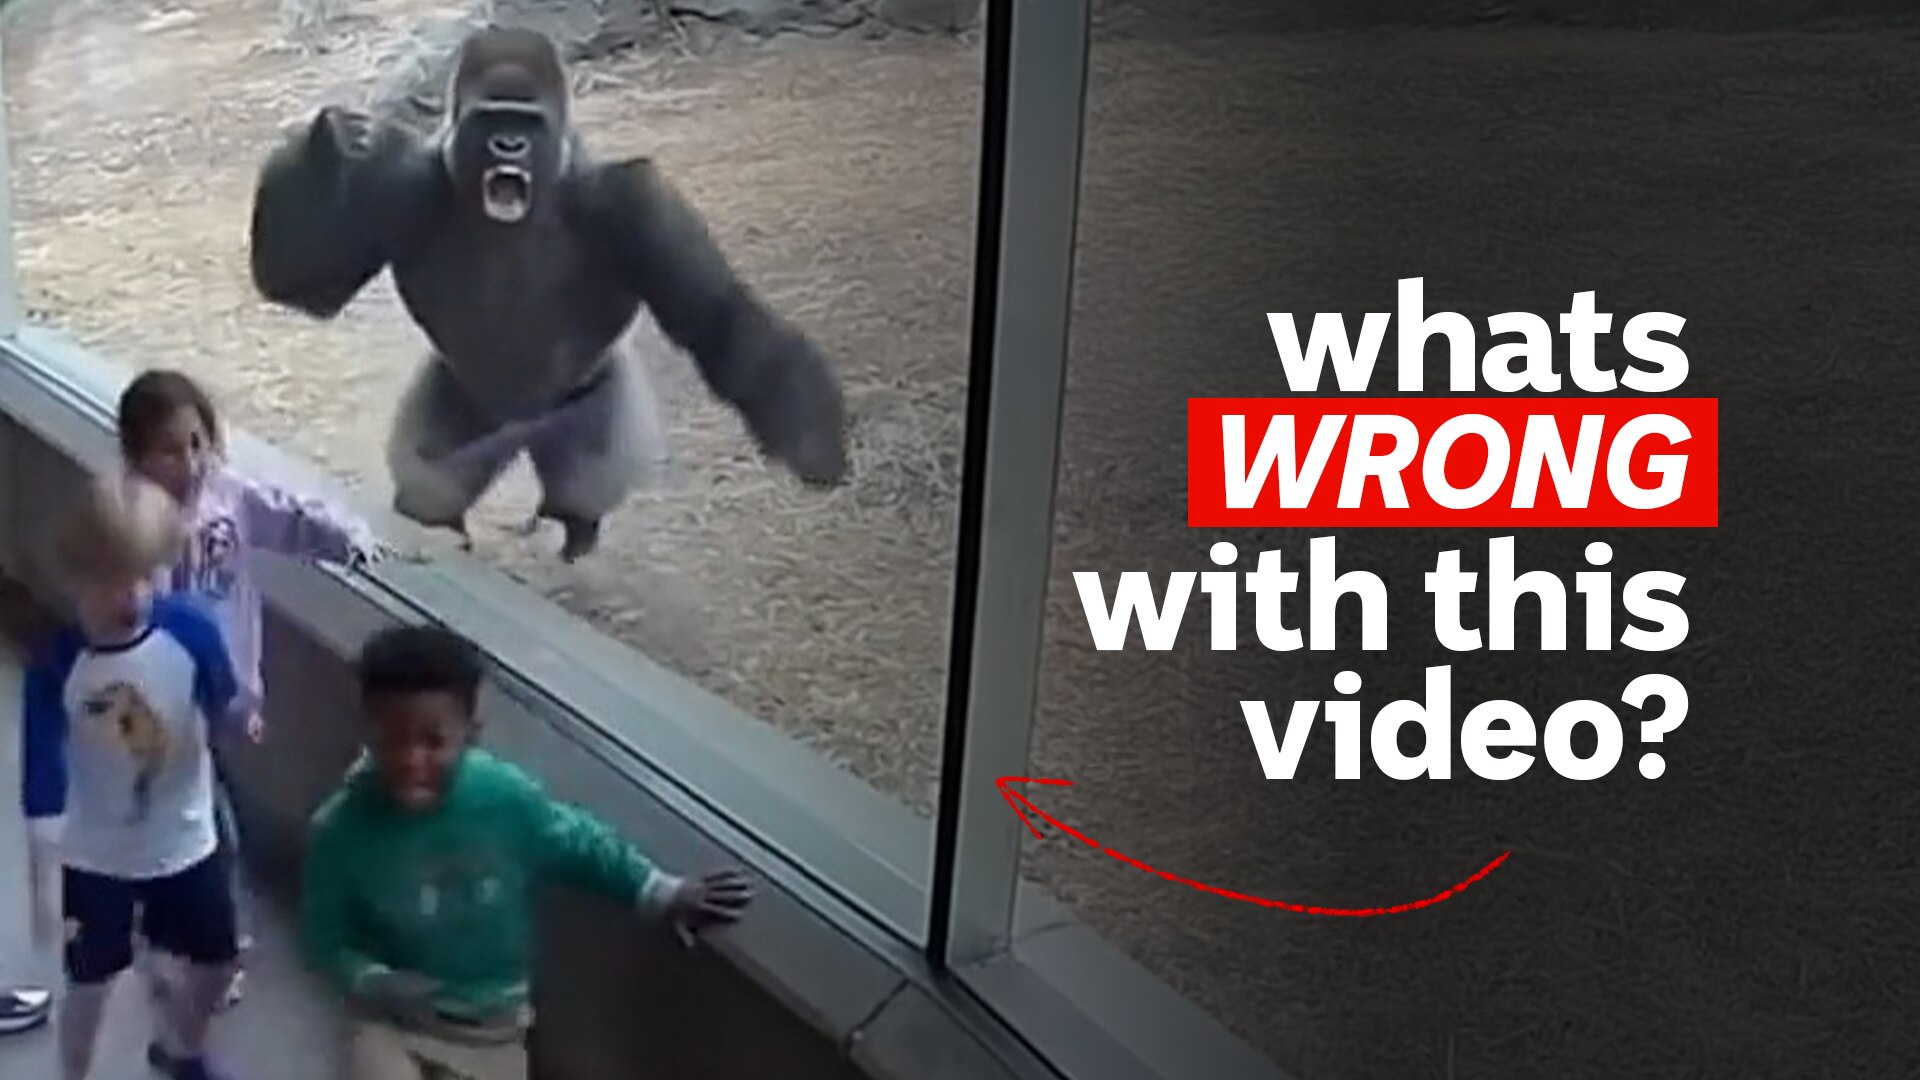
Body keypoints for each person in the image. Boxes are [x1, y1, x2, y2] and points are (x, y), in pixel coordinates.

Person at [301, 625, 755, 1080]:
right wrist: (371, 979)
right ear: (366, 729)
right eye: (391, 739)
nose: (409, 759)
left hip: (493, 1025)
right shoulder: (339, 831)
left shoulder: (503, 799)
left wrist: (661, 891)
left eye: (432, 741)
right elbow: (324, 933)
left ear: (470, 735)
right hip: (392, 1018)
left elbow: (577, 840)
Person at [116, 367, 399, 1010]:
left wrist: (349, 538)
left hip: (219, 703)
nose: (189, 462)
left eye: (197, 443)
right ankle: (205, 947)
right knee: (210, 828)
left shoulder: (228, 499)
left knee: (187, 826)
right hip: (158, 712)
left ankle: (171, 929)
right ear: (137, 454)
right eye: (169, 448)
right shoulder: (129, 526)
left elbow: (289, 517)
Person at [20, 475, 244, 1080]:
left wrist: (236, 721)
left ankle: (181, 1049)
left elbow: (220, 698)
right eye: (113, 581)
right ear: (76, 579)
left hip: (188, 838)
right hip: (97, 857)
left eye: (147, 575)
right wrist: (44, 872)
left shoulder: (190, 630)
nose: (134, 596)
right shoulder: (58, 664)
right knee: (91, 983)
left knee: (217, 962)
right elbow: (40, 772)